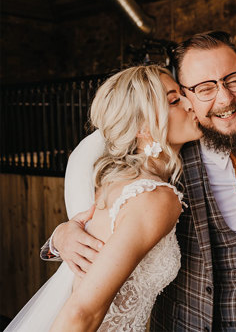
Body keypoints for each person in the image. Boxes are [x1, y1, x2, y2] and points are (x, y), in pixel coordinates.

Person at [43, 32, 236, 331]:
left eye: (233, 80)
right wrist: (61, 236)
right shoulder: (168, 163)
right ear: (188, 93)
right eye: (203, 88)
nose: (224, 98)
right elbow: (102, 195)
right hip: (194, 323)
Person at [6, 65, 202, 331]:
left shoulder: (116, 183)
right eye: (175, 100)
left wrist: (62, 235)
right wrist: (60, 236)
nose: (191, 104)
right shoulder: (155, 198)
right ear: (143, 126)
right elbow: (81, 313)